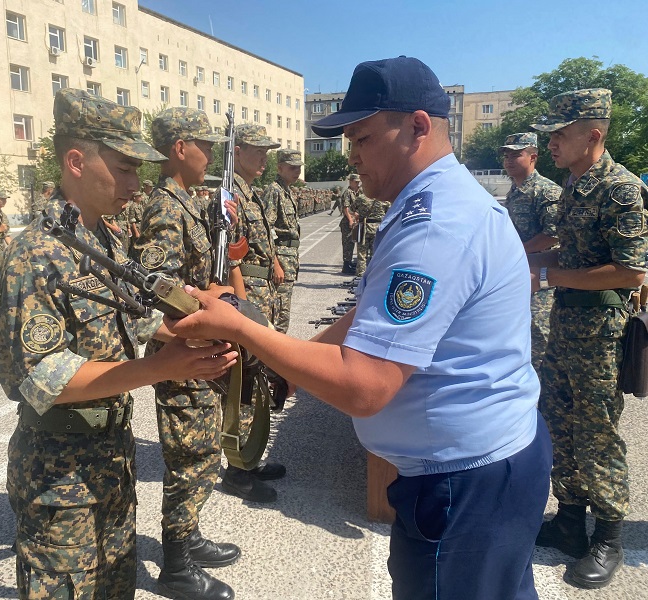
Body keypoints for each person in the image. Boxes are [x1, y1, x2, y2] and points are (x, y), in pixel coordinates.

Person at [168, 57, 551, 600]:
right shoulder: (427, 204)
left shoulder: (434, 225)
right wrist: (297, 366)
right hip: (481, 468)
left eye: (364, 138)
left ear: (418, 126)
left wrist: (241, 328)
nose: (352, 155)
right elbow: (369, 318)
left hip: (464, 485)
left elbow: (365, 387)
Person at [0, 88, 237, 600]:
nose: (135, 183)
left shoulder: (106, 243)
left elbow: (135, 321)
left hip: (111, 458)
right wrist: (163, 368)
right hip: (60, 475)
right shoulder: (33, 255)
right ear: (76, 161)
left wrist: (194, 338)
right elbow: (40, 381)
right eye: (123, 169)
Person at [529, 88, 648, 588]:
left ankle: (610, 536)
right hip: (565, 325)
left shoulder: (619, 188)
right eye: (551, 133)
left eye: (561, 133)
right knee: (559, 421)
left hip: (600, 330)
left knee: (597, 430)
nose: (551, 142)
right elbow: (568, 255)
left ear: (593, 135)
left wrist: (550, 279)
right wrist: (524, 263)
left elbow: (631, 272)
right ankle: (571, 521)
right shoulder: (573, 186)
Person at [131, 106, 240, 600]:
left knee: (204, 451)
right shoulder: (165, 208)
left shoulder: (189, 203)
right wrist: (207, 299)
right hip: (182, 355)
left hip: (200, 349)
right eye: (206, 144)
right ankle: (175, 566)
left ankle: (188, 534)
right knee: (190, 457)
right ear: (179, 148)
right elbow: (156, 290)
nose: (212, 153)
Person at [223, 124, 286, 503]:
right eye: (258, 151)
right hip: (249, 291)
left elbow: (261, 241)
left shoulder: (253, 193)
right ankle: (237, 468)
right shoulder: (231, 194)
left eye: (267, 151)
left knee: (259, 374)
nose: (265, 158)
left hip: (263, 290)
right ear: (239, 150)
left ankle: (252, 455)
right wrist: (244, 307)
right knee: (245, 377)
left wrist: (275, 261)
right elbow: (231, 254)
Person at [499, 132, 561, 373]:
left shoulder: (546, 191)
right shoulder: (515, 191)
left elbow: (554, 234)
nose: (509, 160)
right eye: (506, 155)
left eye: (516, 154)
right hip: (517, 272)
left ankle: (542, 401)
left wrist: (517, 251)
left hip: (541, 278)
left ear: (533, 156)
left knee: (539, 340)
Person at [262, 148, 302, 333]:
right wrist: (275, 263)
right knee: (279, 313)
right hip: (281, 259)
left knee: (283, 312)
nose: (297, 171)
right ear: (279, 168)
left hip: (290, 258)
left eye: (299, 167)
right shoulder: (274, 191)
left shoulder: (286, 191)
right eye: (292, 167)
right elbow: (266, 229)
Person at [352, 191, 391, 278]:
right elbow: (389, 212)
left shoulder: (361, 198)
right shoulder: (384, 199)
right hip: (379, 228)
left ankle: (361, 274)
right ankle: (375, 274)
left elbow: (352, 209)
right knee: (376, 253)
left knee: (362, 253)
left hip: (364, 227)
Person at [339, 174, 360, 274]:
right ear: (350, 181)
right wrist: (350, 220)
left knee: (354, 242)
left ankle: (350, 263)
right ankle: (346, 265)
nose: (357, 183)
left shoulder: (358, 192)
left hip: (356, 221)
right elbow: (345, 208)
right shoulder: (347, 192)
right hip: (347, 222)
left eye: (358, 181)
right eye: (355, 182)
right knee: (348, 243)